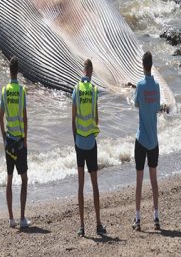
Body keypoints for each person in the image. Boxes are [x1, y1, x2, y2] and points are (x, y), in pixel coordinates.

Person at [132, 51, 168, 231]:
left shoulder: (139, 85)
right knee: (154, 180)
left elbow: (136, 104)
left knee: (139, 181)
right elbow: (156, 108)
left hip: (141, 138)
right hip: (153, 140)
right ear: (151, 65)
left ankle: (138, 219)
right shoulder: (157, 86)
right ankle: (156, 217)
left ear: (142, 65)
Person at [72, 59, 106, 237]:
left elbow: (73, 118)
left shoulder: (76, 89)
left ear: (83, 70)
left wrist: (75, 138)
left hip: (79, 143)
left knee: (80, 185)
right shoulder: (94, 91)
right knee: (94, 185)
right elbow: (97, 118)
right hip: (91, 143)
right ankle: (99, 223)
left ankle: (82, 226)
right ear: (91, 72)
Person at [0, 56, 31, 229]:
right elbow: (25, 118)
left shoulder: (4, 91)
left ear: (8, 70)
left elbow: (0, 118)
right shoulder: (22, 91)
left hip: (9, 141)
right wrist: (25, 139)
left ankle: (11, 219)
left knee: (9, 179)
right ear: (17, 71)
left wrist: (4, 138)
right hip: (19, 141)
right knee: (24, 180)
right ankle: (22, 218)